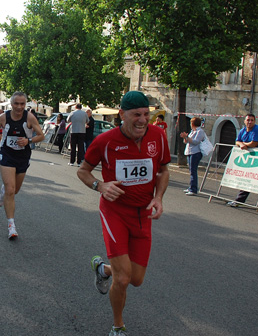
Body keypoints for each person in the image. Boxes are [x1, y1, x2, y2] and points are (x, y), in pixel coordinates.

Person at [77, 90, 170, 336]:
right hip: (114, 213)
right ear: (122, 115)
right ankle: (118, 326)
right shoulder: (105, 141)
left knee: (136, 279)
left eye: (146, 114)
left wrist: (158, 197)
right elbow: (83, 171)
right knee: (124, 279)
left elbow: (162, 171)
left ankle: (103, 269)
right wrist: (100, 185)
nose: (142, 120)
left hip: (143, 215)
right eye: (136, 115)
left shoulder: (158, 136)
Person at [0, 92, 44, 239]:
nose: (19, 107)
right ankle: (11, 226)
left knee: (15, 191)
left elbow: (41, 135)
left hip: (23, 156)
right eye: (16, 104)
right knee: (10, 189)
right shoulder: (3, 117)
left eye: (22, 104)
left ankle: (4, 193)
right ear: (11, 104)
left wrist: (29, 141)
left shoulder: (29, 117)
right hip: (7, 154)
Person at [227, 113, 258, 207]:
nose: (249, 122)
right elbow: (237, 141)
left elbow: (254, 143)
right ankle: (239, 200)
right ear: (245, 121)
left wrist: (244, 145)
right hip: (248, 159)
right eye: (248, 120)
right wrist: (241, 144)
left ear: (255, 121)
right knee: (247, 180)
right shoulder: (243, 130)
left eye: (252, 120)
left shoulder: (257, 129)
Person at [179, 117, 206, 196]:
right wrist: (185, 137)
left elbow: (196, 142)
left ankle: (193, 189)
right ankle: (191, 186)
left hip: (196, 152)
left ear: (193, 124)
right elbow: (187, 142)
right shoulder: (192, 131)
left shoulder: (200, 131)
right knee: (191, 170)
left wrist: (187, 137)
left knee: (193, 170)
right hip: (190, 152)